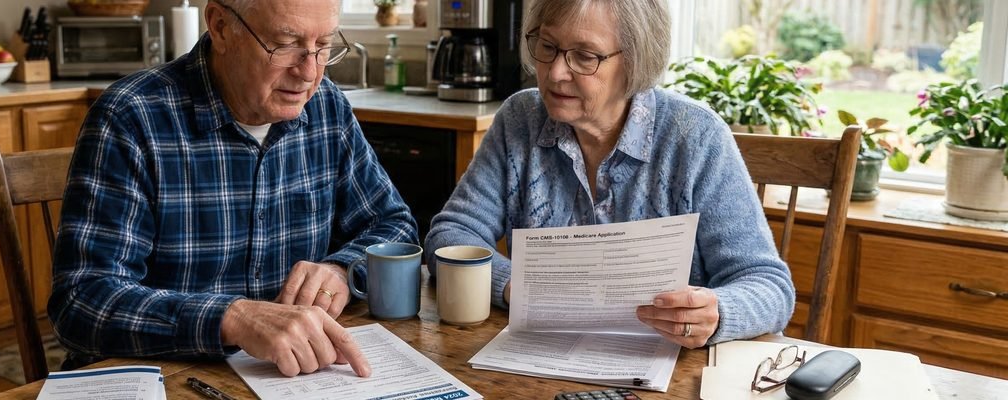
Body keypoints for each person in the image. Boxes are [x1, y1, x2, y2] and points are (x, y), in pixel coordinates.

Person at [49, 0, 417, 378]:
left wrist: (341, 267)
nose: (309, 72)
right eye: (285, 44)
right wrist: (232, 318)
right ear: (222, 27)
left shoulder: (327, 108)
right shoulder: (132, 117)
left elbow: (393, 224)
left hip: (293, 377)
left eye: (324, 45)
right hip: (161, 378)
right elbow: (81, 302)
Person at [424, 0, 794, 348]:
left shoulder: (694, 136)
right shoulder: (520, 119)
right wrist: (514, 287)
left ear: (635, 61)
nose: (555, 73)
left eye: (584, 56)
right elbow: (451, 234)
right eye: (547, 46)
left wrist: (717, 313)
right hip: (538, 357)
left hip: (665, 371)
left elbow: (769, 287)